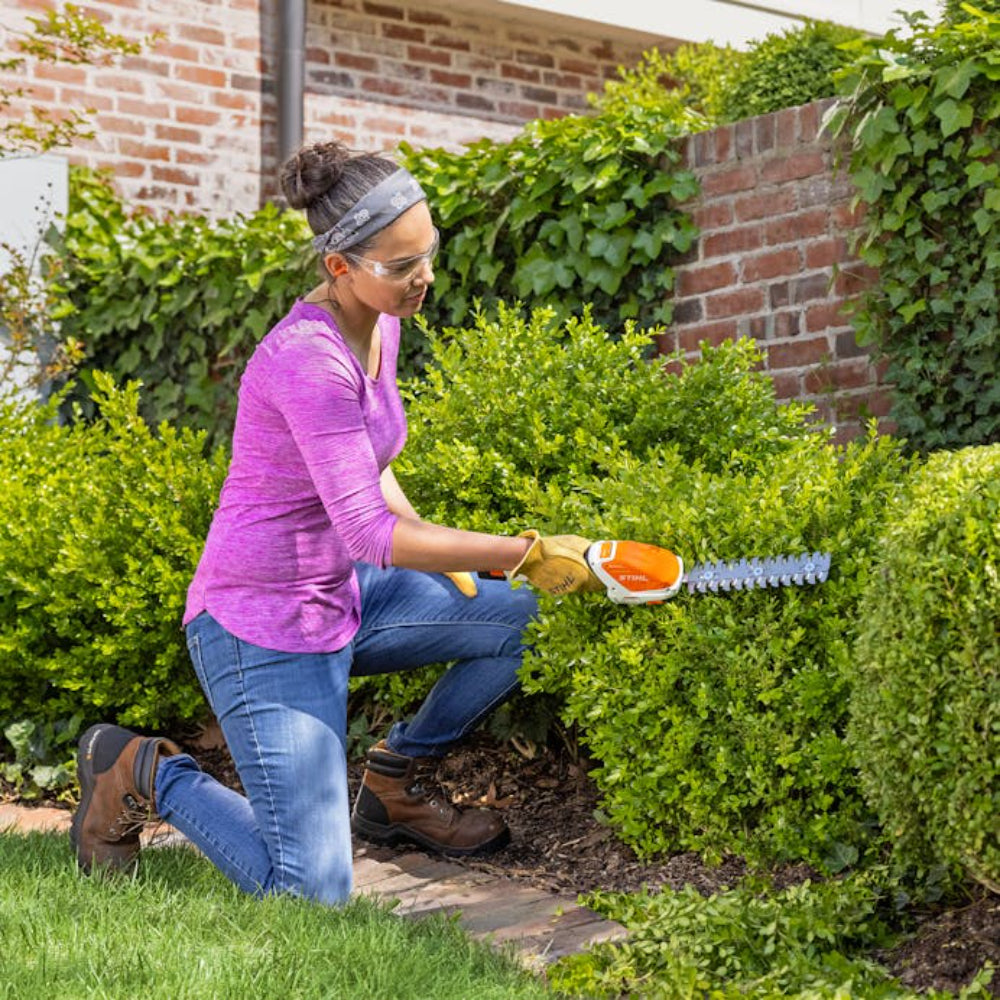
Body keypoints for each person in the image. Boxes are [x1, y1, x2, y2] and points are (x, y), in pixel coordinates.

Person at [70, 140, 604, 905]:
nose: (423, 276)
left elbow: (368, 462)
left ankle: (395, 782)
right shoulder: (307, 360)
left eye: (428, 251)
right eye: (401, 264)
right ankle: (143, 771)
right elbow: (369, 535)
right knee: (310, 892)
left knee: (523, 620)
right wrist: (524, 552)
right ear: (339, 267)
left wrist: (451, 552)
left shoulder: (380, 321)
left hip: (345, 596)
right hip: (261, 625)